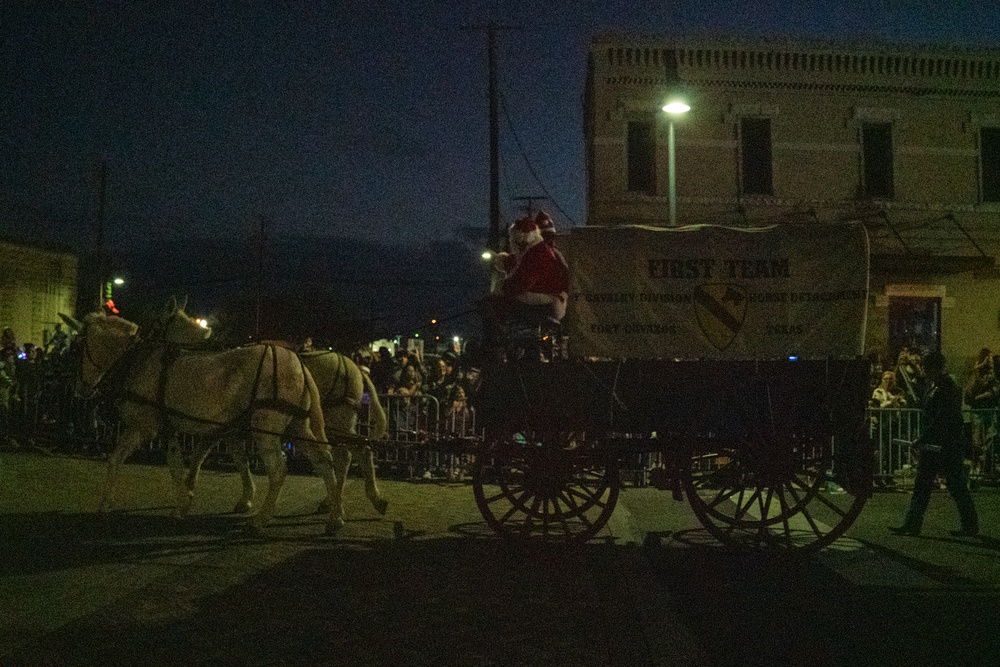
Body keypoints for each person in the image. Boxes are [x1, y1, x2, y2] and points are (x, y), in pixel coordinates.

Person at [890, 350, 980, 538]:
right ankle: (911, 524)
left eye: (926, 367)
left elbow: (942, 417)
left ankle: (970, 525)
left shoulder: (948, 386)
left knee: (956, 486)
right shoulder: (937, 385)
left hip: (947, 445)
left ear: (935, 368)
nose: (924, 371)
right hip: (933, 445)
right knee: (922, 485)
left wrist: (922, 438)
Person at [965, 347, 997, 477]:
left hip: (989, 410)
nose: (991, 360)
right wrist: (978, 368)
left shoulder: (993, 373)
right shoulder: (976, 374)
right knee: (977, 440)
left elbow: (994, 390)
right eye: (989, 357)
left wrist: (984, 396)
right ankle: (977, 466)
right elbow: (973, 391)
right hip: (978, 411)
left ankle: (987, 467)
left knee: (990, 437)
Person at [870, 369, 907, 487]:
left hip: (894, 424)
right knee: (881, 451)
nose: (888, 381)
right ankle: (878, 476)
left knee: (893, 452)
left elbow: (904, 403)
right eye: (886, 379)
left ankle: (890, 476)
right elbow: (879, 406)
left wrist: (898, 401)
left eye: (890, 379)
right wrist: (892, 401)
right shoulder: (878, 391)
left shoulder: (898, 391)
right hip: (882, 424)